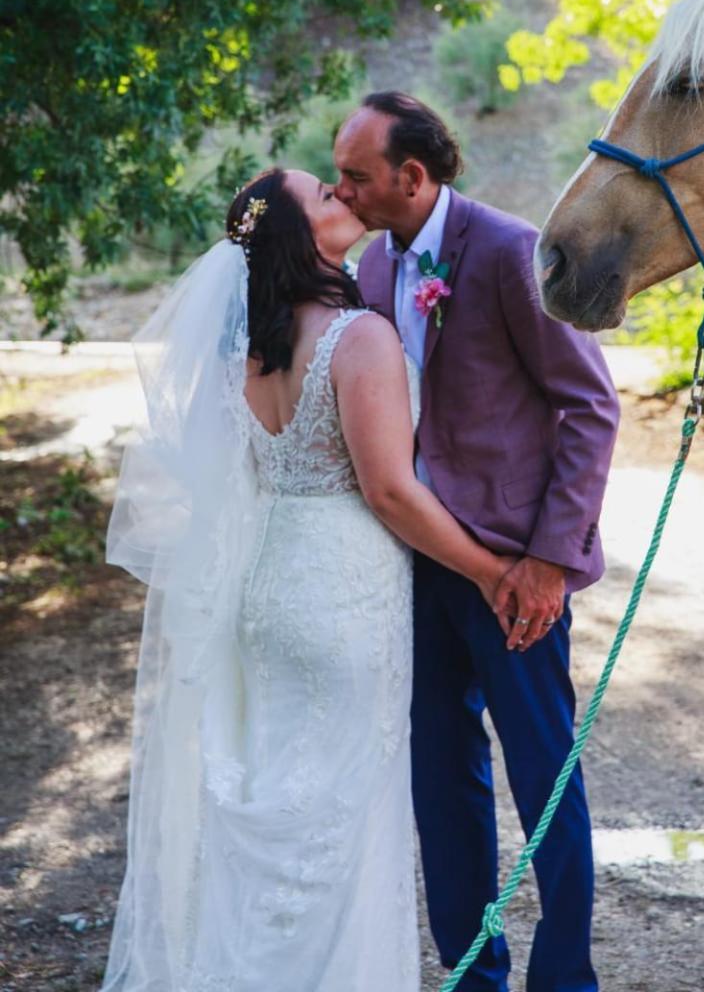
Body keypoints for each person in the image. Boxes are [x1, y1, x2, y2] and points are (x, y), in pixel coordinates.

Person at [101, 165, 515, 992]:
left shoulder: (248, 349)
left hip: (266, 589)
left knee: (273, 805)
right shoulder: (357, 337)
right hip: (343, 598)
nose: (342, 193)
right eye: (323, 194)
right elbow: (391, 489)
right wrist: (489, 570)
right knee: (340, 824)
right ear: (301, 235)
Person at [335, 92, 621, 992]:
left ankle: (565, 978)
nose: (342, 190)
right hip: (415, 567)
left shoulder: (504, 250)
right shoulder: (373, 270)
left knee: (545, 778)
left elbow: (590, 405)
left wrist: (546, 563)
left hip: (515, 577)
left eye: (355, 175)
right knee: (442, 786)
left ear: (411, 178)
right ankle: (471, 976)